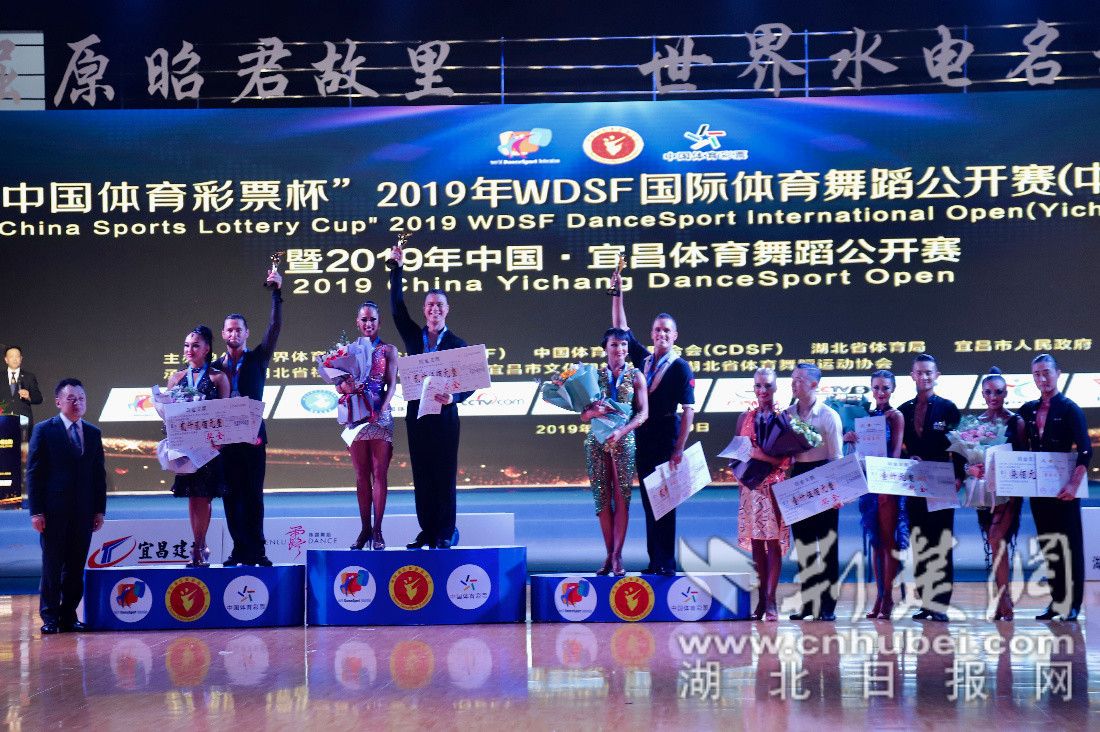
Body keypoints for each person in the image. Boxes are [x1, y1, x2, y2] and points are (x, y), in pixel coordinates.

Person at [609, 270, 695, 575]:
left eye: (666, 331)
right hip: (643, 438)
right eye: (657, 330)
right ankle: (654, 560)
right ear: (652, 333)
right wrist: (618, 292)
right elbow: (620, 328)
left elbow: (689, 411)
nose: (661, 335)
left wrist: (679, 448)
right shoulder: (644, 360)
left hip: (667, 438)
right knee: (648, 501)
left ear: (675, 336)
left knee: (666, 501)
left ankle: (667, 562)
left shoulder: (681, 367)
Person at [389, 243, 473, 549]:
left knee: (444, 473)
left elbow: (471, 381)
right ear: (424, 309)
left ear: (447, 310)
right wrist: (397, 269)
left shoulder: (457, 343)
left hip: (445, 416)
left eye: (439, 305)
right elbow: (397, 309)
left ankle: (445, 532)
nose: (434, 309)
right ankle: (427, 530)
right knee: (422, 474)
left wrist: (456, 398)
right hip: (417, 415)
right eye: (429, 305)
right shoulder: (414, 337)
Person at [26, 378, 106, 634]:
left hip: (84, 512)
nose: (77, 403)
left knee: (75, 566)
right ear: (58, 402)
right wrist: (36, 511)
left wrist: (99, 510)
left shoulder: (92, 433)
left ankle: (69, 616)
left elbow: (98, 475)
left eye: (81, 398)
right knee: (52, 566)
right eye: (71, 398)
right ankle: (50, 617)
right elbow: (34, 473)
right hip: (53, 512)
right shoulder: (44, 430)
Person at [214, 268, 283, 567]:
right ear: (223, 334)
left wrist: (276, 294)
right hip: (226, 440)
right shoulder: (215, 368)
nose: (234, 334)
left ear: (246, 334)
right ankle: (239, 549)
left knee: (254, 495)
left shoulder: (258, 358)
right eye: (229, 330)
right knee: (230, 495)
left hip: (253, 437)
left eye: (238, 330)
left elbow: (275, 327)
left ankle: (258, 550)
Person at [1019, 354, 1091, 622]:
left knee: (1070, 547)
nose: (1042, 378)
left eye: (1046, 372)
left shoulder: (1070, 409)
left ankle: (1073, 605)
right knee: (1050, 546)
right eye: (1036, 374)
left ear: (1058, 373)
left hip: (1065, 491)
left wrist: (1073, 484)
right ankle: (1057, 602)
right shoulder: (1028, 410)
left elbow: (1085, 451)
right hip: (1039, 491)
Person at [898, 354, 963, 622]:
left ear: (937, 376)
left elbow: (961, 446)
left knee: (941, 543)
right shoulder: (904, 410)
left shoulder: (948, 408)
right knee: (921, 542)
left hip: (941, 485)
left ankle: (940, 604)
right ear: (912, 376)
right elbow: (897, 449)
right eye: (919, 372)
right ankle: (926, 601)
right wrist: (907, 458)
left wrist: (959, 477)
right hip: (915, 486)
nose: (924, 377)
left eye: (928, 372)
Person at [580, 328, 648, 576]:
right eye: (614, 345)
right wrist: (593, 412)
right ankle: (609, 554)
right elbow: (583, 415)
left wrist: (622, 431)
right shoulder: (593, 376)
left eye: (623, 345)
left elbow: (643, 413)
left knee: (621, 498)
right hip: (596, 442)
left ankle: (618, 555)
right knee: (602, 498)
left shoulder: (636, 375)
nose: (619, 349)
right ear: (605, 349)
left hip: (623, 440)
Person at [843, 370, 906, 619]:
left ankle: (887, 598)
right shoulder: (867, 417)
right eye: (876, 388)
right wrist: (850, 439)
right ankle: (879, 597)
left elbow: (896, 454)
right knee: (875, 542)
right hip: (868, 485)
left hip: (887, 483)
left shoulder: (896, 416)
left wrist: (885, 485)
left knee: (888, 541)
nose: (881, 392)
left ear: (893, 389)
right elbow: (861, 454)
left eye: (885, 388)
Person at [335, 301, 398, 550]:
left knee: (379, 473)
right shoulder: (347, 351)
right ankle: (364, 530)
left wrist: (383, 407)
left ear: (379, 323)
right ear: (357, 323)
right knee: (361, 475)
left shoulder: (388, 350)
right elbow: (338, 386)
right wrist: (347, 387)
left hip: (380, 417)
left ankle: (378, 531)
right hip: (357, 417)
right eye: (364, 319)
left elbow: (392, 383)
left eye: (372, 319)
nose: (368, 323)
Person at [166, 326, 230, 567]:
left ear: (207, 349)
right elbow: (169, 414)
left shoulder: (218, 377)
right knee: (194, 497)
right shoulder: (176, 378)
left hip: (209, 449)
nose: (189, 350)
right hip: (186, 448)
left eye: (195, 345)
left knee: (204, 496)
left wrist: (217, 439)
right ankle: (199, 545)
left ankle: (199, 546)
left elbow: (224, 414)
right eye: (186, 345)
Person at [785, 364, 843, 621]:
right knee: (804, 544)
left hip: (824, 476)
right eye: (792, 379)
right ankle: (809, 603)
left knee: (827, 544)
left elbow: (836, 457)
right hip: (798, 477)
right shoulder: (787, 414)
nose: (794, 384)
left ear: (814, 384)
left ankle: (828, 606)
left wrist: (837, 492)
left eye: (799, 380)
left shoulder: (828, 415)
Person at [968, 368, 1025, 621]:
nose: (994, 397)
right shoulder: (975, 424)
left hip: (1009, 493)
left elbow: (1023, 457)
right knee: (995, 545)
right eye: (989, 392)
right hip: (984, 493)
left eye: (999, 392)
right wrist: (972, 468)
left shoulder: (1016, 422)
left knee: (996, 539)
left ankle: (1004, 600)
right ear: (982, 394)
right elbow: (967, 461)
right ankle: (1003, 600)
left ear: (1005, 393)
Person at [735, 367, 790, 621]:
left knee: (773, 543)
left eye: (767, 385)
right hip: (750, 489)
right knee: (756, 543)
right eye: (758, 385)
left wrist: (761, 456)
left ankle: (771, 599)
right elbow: (737, 453)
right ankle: (760, 599)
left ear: (776, 387)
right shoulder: (745, 417)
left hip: (774, 487)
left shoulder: (784, 417)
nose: (762, 390)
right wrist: (739, 476)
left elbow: (786, 460)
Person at [5, 345, 42, 437]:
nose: (15, 359)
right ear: (6, 359)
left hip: (23, 422)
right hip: (3, 422)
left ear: (21, 359)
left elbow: (38, 398)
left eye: (17, 356)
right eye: (11, 356)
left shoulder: (29, 377)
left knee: (23, 446)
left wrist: (29, 396)